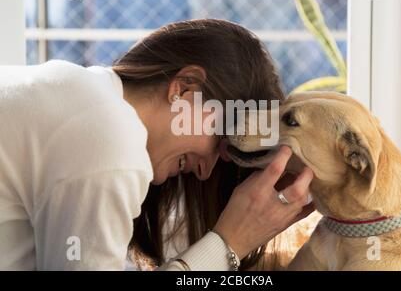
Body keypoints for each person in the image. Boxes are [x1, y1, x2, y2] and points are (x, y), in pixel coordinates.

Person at [0, 19, 314, 270]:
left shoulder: (79, 91)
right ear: (185, 87)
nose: (205, 173)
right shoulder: (111, 141)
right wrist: (229, 242)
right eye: (221, 137)